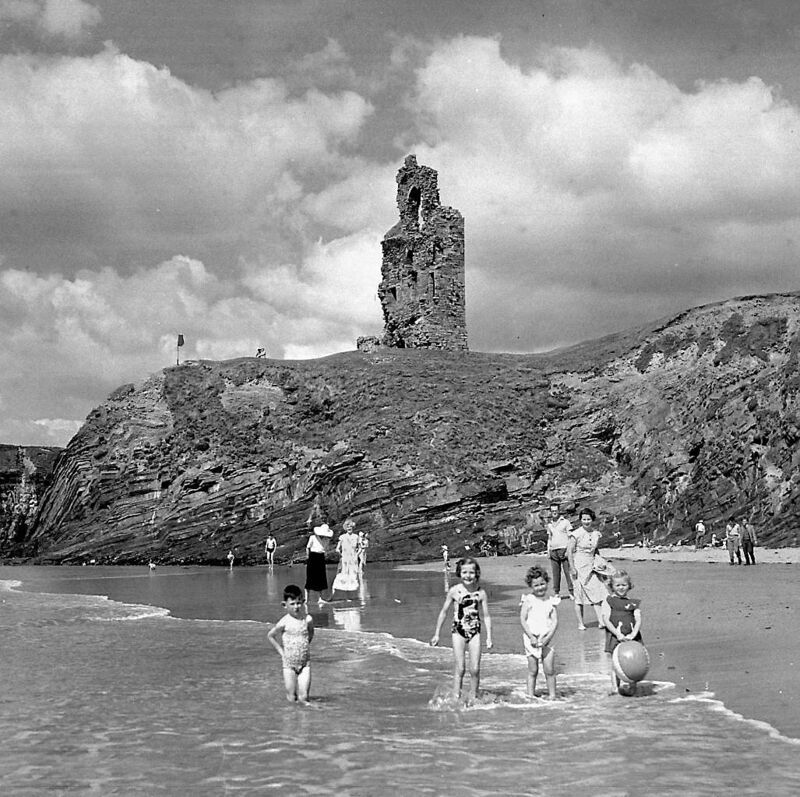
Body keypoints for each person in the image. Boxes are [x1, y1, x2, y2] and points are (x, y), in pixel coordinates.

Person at [430, 558, 493, 702]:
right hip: (458, 631)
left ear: (476, 573)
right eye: (464, 572)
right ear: (459, 573)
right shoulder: (454, 591)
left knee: (475, 669)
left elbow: (487, 616)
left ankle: (473, 697)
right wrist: (437, 634)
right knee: (460, 668)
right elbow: (444, 612)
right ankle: (455, 697)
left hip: (475, 632)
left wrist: (489, 637)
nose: (468, 576)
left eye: (471, 572)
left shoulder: (481, 592)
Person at [267, 584, 315, 703]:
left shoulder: (307, 619)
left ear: (303, 602)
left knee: (304, 697)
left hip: (305, 663)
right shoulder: (284, 622)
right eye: (292, 604)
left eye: (299, 603)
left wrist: (305, 645)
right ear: (285, 605)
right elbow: (271, 636)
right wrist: (281, 652)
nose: (296, 607)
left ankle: (306, 719)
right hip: (289, 664)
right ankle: (292, 719)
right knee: (291, 698)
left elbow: (311, 633)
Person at [519, 565, 559, 699]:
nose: (540, 587)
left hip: (548, 639)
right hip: (532, 639)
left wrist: (548, 637)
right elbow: (523, 619)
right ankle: (530, 695)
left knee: (549, 670)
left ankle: (552, 695)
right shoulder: (528, 600)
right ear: (531, 586)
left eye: (542, 584)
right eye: (536, 585)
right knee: (533, 670)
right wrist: (531, 636)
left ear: (547, 582)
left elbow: (554, 621)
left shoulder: (551, 601)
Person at [600, 571, 643, 693]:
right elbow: (606, 620)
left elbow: (638, 619)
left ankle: (632, 687)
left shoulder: (633, 603)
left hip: (632, 636)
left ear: (629, 585)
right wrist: (617, 633)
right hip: (615, 636)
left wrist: (633, 634)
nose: (621, 588)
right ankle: (615, 687)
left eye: (624, 585)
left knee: (633, 662)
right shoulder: (608, 601)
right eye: (617, 585)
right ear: (612, 586)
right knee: (616, 663)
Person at [567, 507, 609, 630]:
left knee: (597, 593)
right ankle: (580, 623)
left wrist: (602, 564)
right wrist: (572, 568)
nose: (586, 521)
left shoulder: (595, 533)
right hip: (579, 565)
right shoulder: (576, 534)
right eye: (584, 519)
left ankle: (601, 621)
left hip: (592, 564)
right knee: (579, 596)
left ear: (592, 520)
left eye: (588, 519)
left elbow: (596, 550)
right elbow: (569, 552)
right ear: (580, 520)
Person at [305, 508, 334, 604]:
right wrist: (308, 557)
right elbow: (308, 548)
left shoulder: (327, 540)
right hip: (313, 556)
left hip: (321, 557)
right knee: (310, 578)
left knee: (321, 578)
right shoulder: (312, 537)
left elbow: (324, 549)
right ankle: (307, 598)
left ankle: (320, 598)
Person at [545, 502, 573, 599]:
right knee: (555, 573)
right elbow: (549, 538)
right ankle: (556, 593)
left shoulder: (565, 522)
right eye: (552, 511)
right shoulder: (549, 524)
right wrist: (548, 551)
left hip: (564, 549)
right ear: (550, 512)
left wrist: (568, 550)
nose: (554, 512)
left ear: (559, 511)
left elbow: (570, 538)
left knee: (568, 572)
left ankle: (572, 592)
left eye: (556, 510)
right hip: (553, 551)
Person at [330, 519, 360, 599]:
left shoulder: (356, 537)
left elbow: (360, 548)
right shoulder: (342, 537)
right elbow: (337, 549)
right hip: (345, 560)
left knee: (353, 576)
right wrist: (341, 555)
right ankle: (343, 595)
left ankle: (352, 596)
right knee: (344, 576)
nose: (349, 528)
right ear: (345, 528)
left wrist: (357, 554)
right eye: (348, 526)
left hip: (353, 560)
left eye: (350, 526)